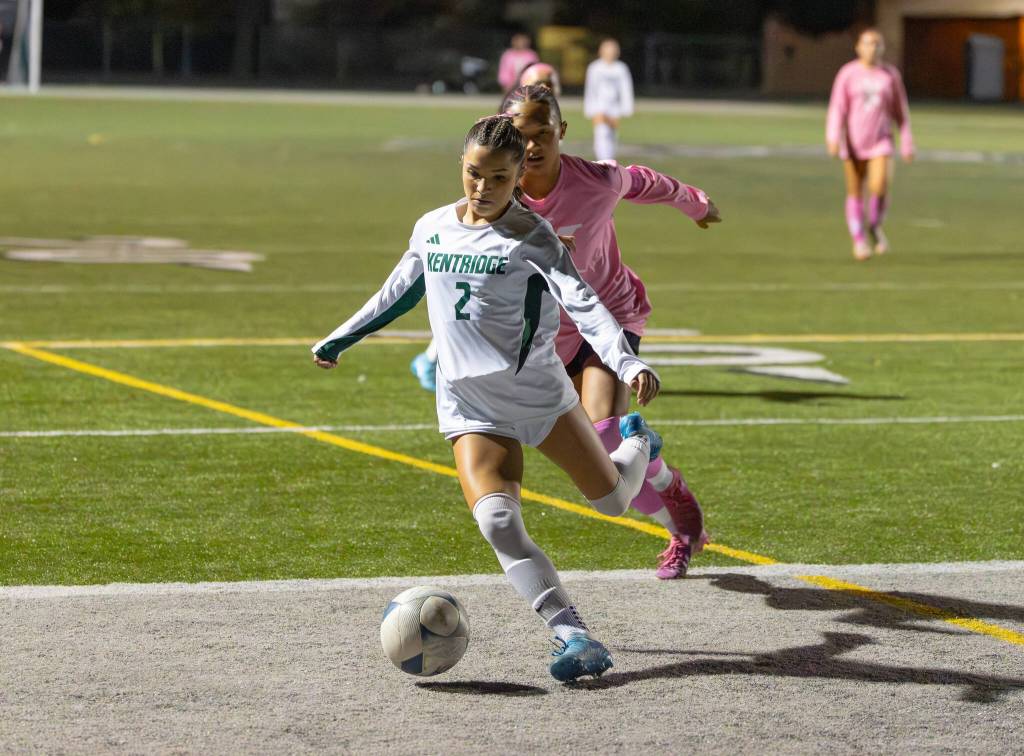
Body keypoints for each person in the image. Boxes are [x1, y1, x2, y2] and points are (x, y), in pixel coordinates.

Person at [313, 115, 664, 682]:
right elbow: (397, 291)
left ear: (519, 175)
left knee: (613, 502)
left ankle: (638, 446)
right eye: (475, 173)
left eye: (499, 177)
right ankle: (572, 634)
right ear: (462, 164)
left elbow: (584, 304)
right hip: (469, 405)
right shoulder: (432, 227)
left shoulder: (534, 235)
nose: (483, 187)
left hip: (539, 398)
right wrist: (340, 337)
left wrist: (628, 362)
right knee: (499, 522)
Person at [410, 85, 721, 580]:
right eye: (521, 134)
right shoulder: (491, 193)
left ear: (562, 132)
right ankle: (659, 476)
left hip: (606, 318)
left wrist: (697, 205)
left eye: (543, 133)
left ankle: (679, 528)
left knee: (605, 433)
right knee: (605, 459)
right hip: (545, 337)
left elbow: (646, 182)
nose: (532, 145)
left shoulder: (596, 181)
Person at [826, 28, 914, 261]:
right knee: (855, 191)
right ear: (858, 47)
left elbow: (901, 112)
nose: (872, 48)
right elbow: (837, 107)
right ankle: (859, 240)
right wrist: (833, 136)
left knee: (879, 186)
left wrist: (907, 142)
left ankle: (874, 225)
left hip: (880, 141)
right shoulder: (847, 74)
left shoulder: (890, 75)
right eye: (867, 43)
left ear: (883, 48)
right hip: (853, 142)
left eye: (876, 43)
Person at [583, 38, 634, 161]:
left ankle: (609, 160)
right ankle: (603, 161)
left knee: (612, 136)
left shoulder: (621, 68)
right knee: (601, 133)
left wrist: (626, 109)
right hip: (599, 107)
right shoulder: (595, 68)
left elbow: (626, 90)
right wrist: (591, 110)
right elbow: (590, 90)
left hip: (614, 108)